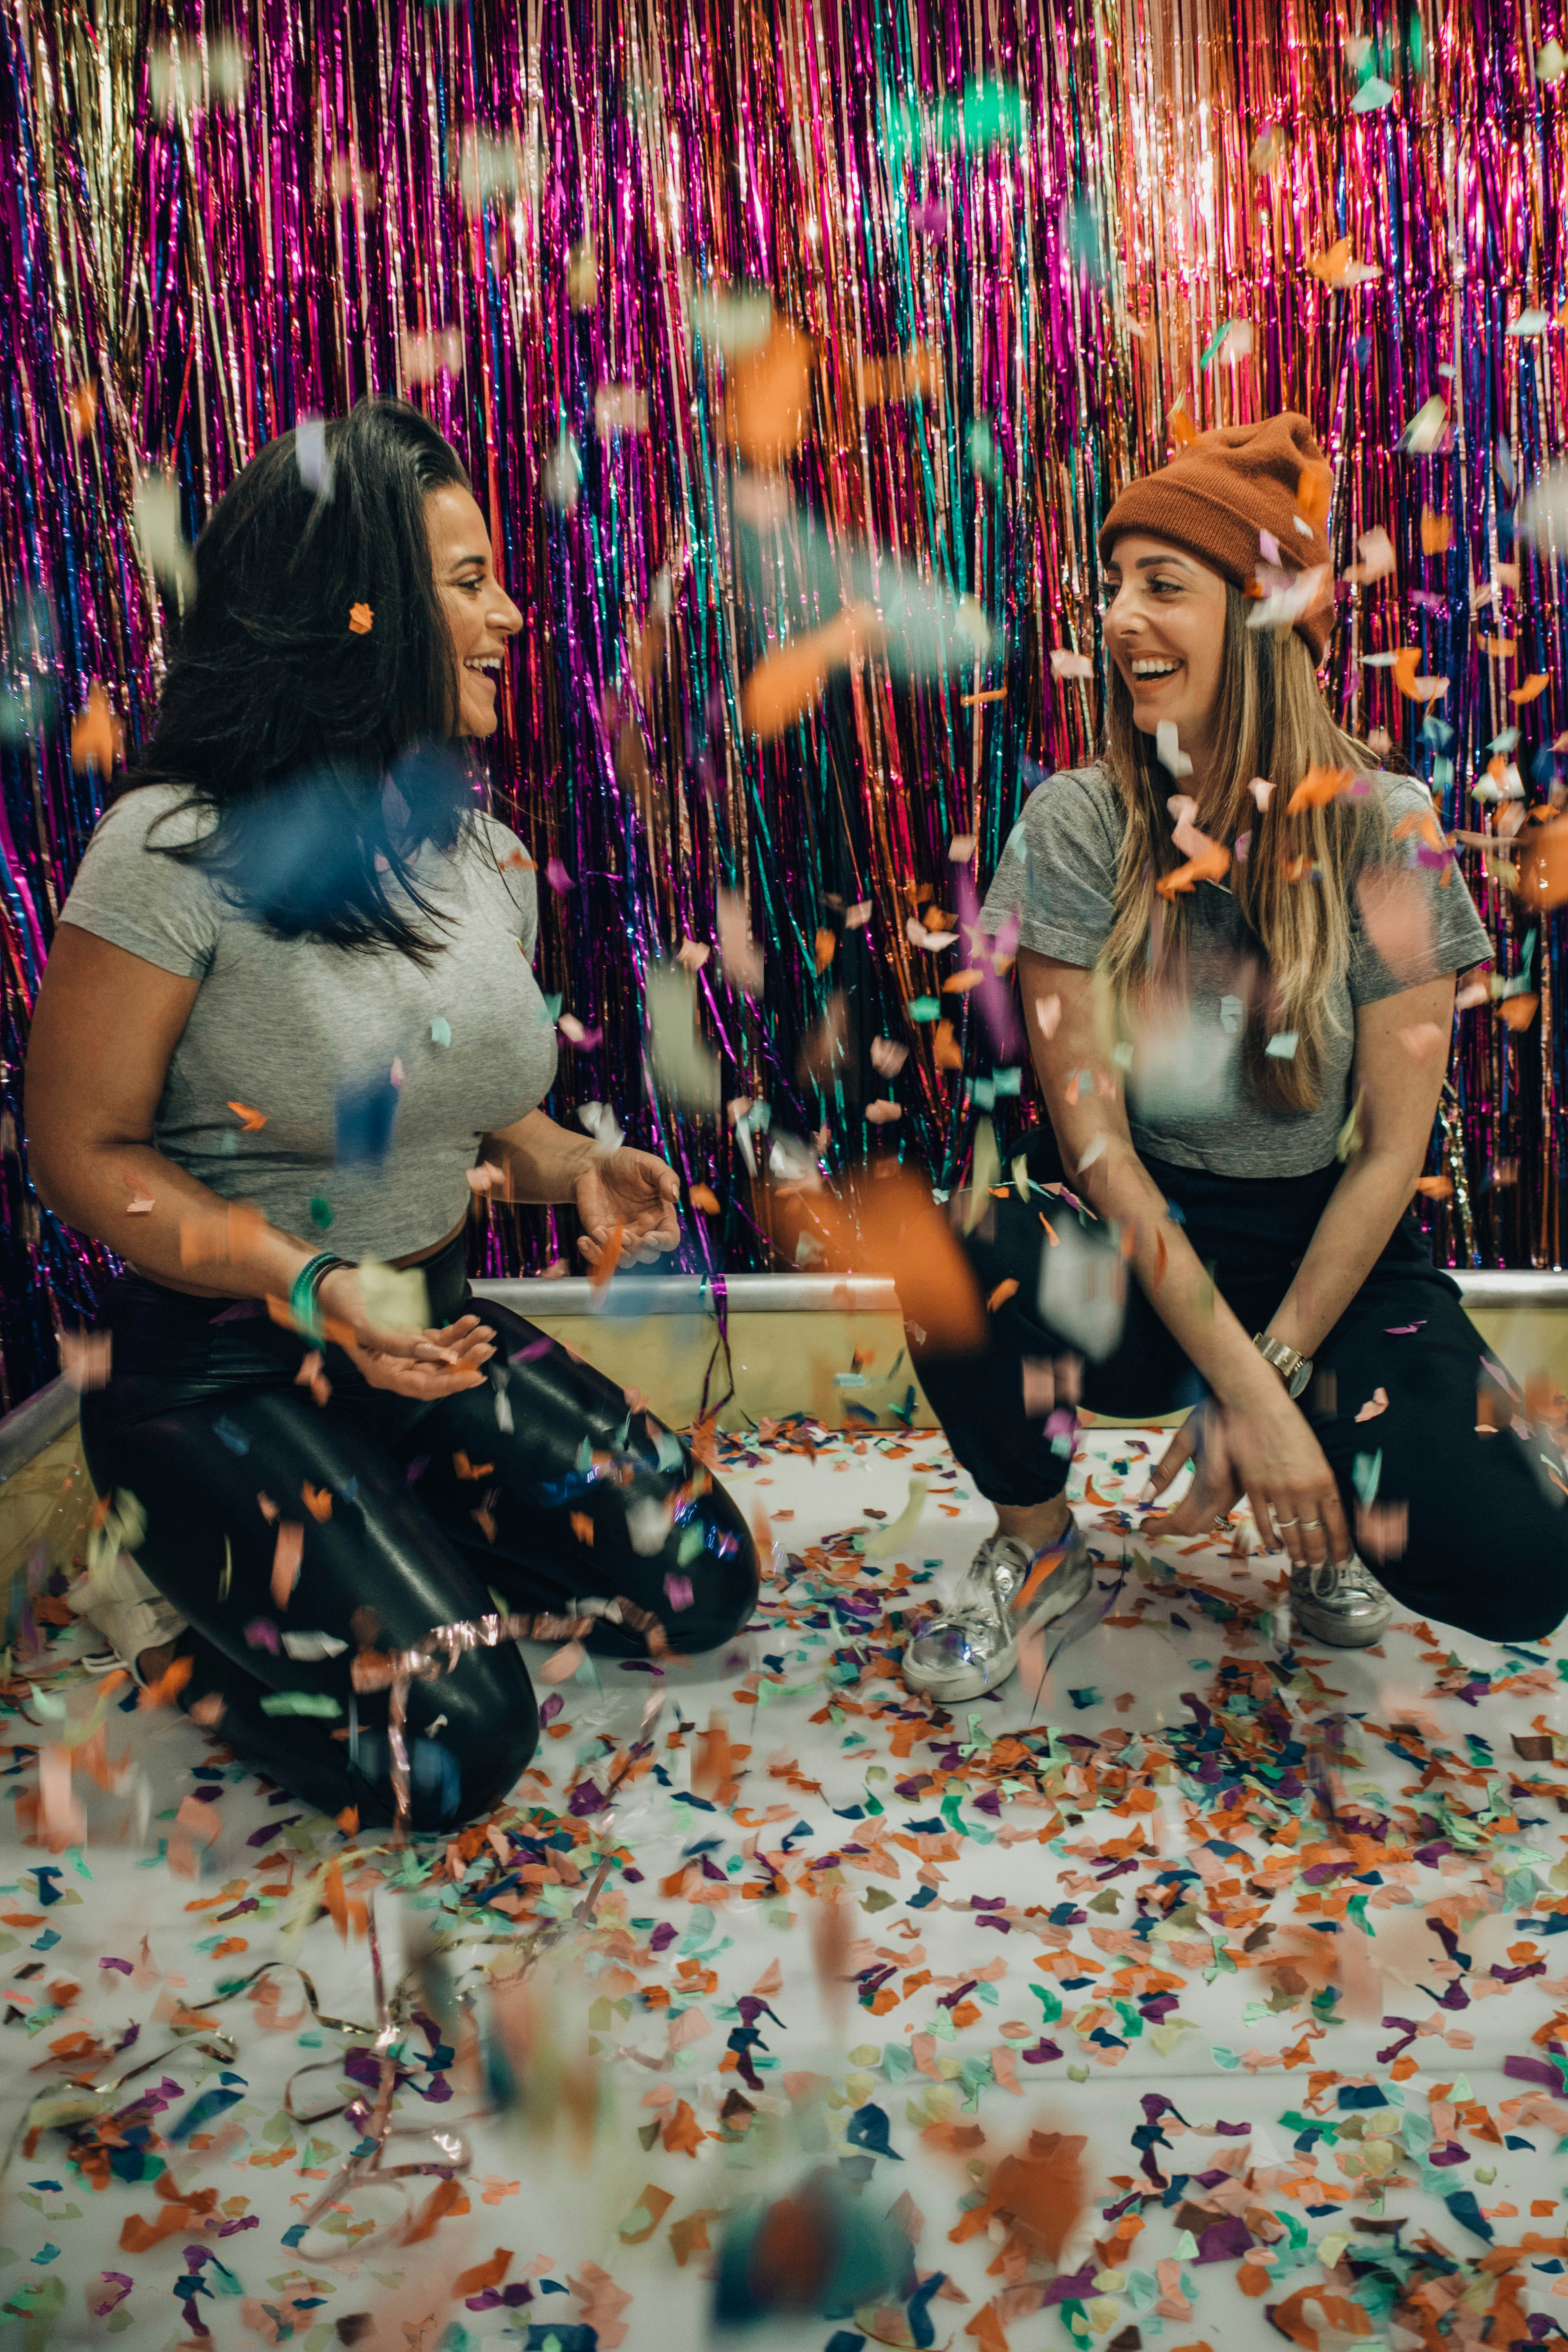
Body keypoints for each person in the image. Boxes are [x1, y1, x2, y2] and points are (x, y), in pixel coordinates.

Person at [24, 398, 757, 1830]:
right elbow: (77, 1154)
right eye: (471, 579)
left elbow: (466, 1125)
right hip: (220, 1380)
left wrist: (577, 1166)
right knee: (462, 1750)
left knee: (701, 1580)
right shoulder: (173, 849)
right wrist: (303, 1280)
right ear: (352, 607)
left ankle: (385, 1553)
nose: (515, 615)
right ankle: (164, 1620)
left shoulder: (475, 848)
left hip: (429, 1340)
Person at [903, 411, 1568, 1703]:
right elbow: (1092, 1143)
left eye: (1163, 585)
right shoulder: (1079, 822)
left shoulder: (1393, 830)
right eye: (1111, 587)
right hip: (1150, 1248)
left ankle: (1319, 1478)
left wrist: (1281, 1381)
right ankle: (1042, 1553)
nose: (1118, 619)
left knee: (1527, 1562)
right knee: (961, 1243)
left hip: (1340, 1251)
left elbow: (1387, 1155)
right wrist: (1238, 1391)